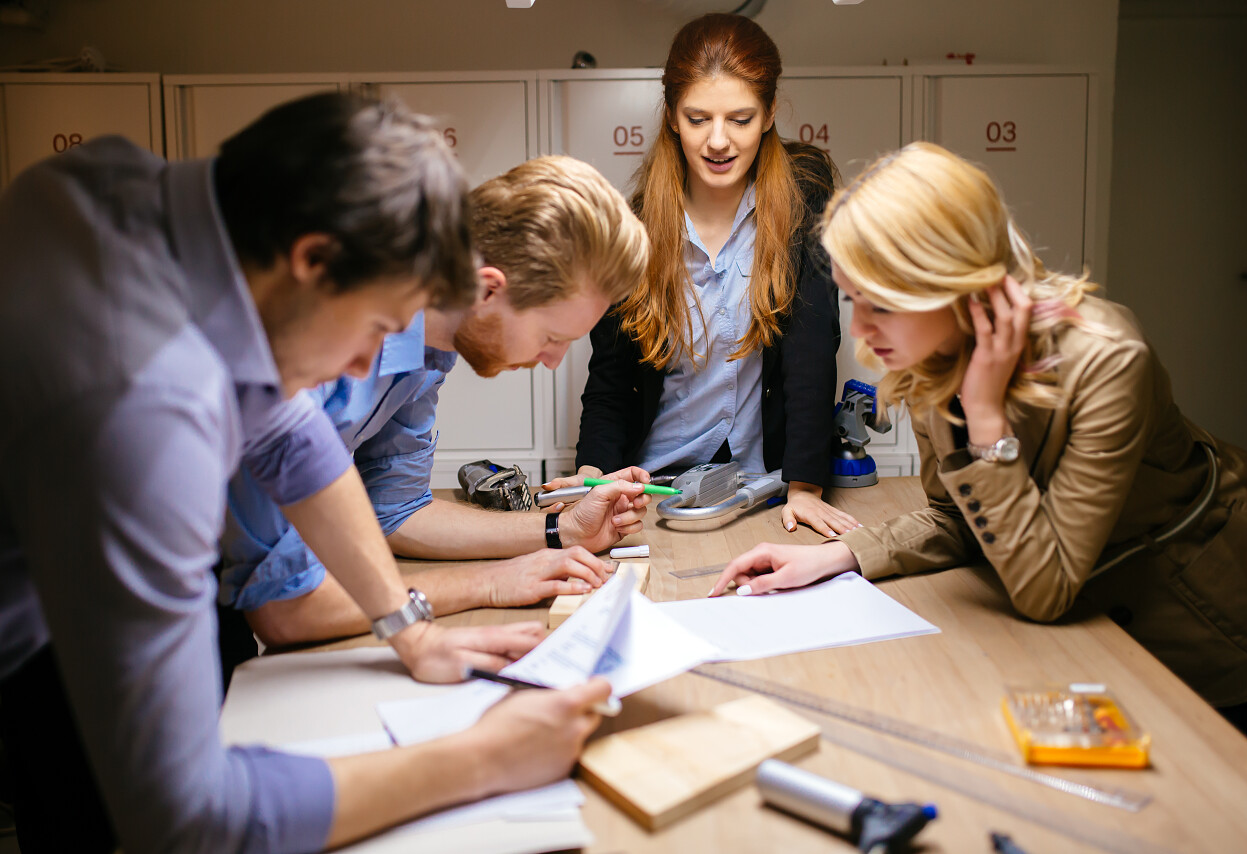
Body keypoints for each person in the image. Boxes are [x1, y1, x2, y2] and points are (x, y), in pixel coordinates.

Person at [0, 92, 610, 854]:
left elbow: (289, 435)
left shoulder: (115, 185)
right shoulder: (151, 411)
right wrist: (483, 757)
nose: (364, 369)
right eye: (377, 329)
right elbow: (186, 817)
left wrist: (409, 631)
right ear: (313, 259)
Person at [710, 141, 1247, 758]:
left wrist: (983, 417)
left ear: (951, 282)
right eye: (855, 301)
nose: (862, 332)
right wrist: (839, 557)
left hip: (1205, 620)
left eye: (882, 305)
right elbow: (960, 518)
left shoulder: (1108, 360)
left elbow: (1045, 588)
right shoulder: (932, 350)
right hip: (1091, 631)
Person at [221, 155, 653, 648]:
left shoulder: (430, 341)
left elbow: (397, 513)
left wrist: (564, 529)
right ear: (489, 290)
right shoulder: (315, 334)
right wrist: (489, 584)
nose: (552, 361)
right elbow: (285, 610)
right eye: (551, 336)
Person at [561, 13, 853, 537]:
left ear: (768, 114)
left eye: (739, 119)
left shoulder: (804, 199)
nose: (718, 141)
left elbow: (812, 351)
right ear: (672, 116)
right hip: (654, 488)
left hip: (762, 487)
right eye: (698, 119)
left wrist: (805, 486)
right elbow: (610, 380)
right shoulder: (636, 225)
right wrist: (592, 475)